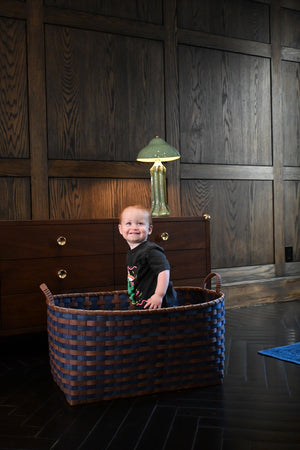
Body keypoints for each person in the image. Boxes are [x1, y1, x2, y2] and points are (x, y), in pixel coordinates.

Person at [118, 205, 177, 309]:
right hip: (144, 302)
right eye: (128, 223)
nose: (134, 227)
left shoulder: (151, 251)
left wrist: (159, 295)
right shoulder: (131, 253)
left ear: (149, 229)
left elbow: (164, 271)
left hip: (159, 304)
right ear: (121, 229)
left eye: (140, 223)